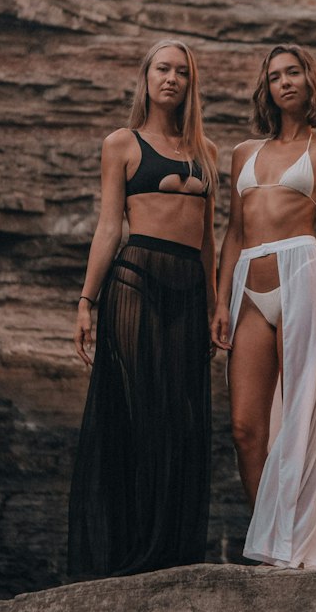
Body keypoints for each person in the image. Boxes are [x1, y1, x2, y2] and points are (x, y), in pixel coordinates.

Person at [68, 39, 218, 580]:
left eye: (181, 71)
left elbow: (207, 242)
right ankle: (125, 555)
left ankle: (169, 553)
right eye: (162, 69)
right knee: (137, 414)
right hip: (133, 281)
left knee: (182, 419)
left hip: (188, 289)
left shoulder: (207, 152)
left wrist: (215, 305)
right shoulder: (122, 144)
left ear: (190, 83)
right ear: (147, 77)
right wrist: (86, 301)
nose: (171, 79)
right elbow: (110, 226)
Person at [211, 43, 316, 569]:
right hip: (250, 279)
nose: (285, 82)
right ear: (266, 88)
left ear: (310, 81)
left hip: (304, 276)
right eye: (275, 76)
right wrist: (221, 302)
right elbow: (232, 231)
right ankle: (270, 547)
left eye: (293, 73)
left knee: (297, 421)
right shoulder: (244, 153)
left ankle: (290, 556)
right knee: (246, 429)